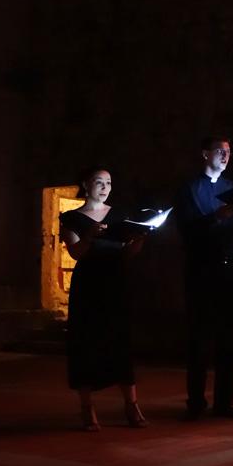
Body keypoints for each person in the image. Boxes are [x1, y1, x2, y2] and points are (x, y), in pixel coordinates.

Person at [174, 136, 233, 420]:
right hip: (201, 270)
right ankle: (196, 402)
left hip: (229, 270)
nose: (225, 155)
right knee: (199, 338)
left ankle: (225, 402)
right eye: (220, 151)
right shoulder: (189, 188)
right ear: (205, 154)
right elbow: (186, 229)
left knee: (229, 338)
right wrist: (216, 217)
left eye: (228, 152)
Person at [59, 168, 147, 432]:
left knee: (120, 341)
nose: (105, 187)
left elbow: (127, 253)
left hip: (115, 283)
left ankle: (131, 405)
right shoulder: (72, 218)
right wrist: (89, 237)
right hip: (88, 286)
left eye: (108, 182)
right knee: (86, 343)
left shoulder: (119, 216)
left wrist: (140, 239)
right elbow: (76, 253)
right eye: (99, 182)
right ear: (86, 185)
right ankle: (87, 408)